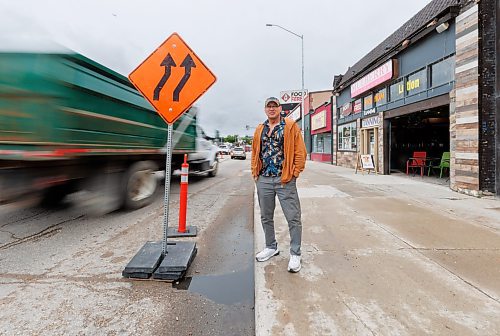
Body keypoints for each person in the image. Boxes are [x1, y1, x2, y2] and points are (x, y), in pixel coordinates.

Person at [251, 97, 306, 272]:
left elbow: (300, 151)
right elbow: (254, 152)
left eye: (275, 106)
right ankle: (271, 247)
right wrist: (255, 173)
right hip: (264, 179)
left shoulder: (290, 126)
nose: (272, 109)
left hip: (285, 179)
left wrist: (295, 173)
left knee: (293, 217)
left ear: (280, 108)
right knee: (266, 216)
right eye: (269, 106)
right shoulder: (260, 129)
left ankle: (295, 253)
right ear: (265, 109)